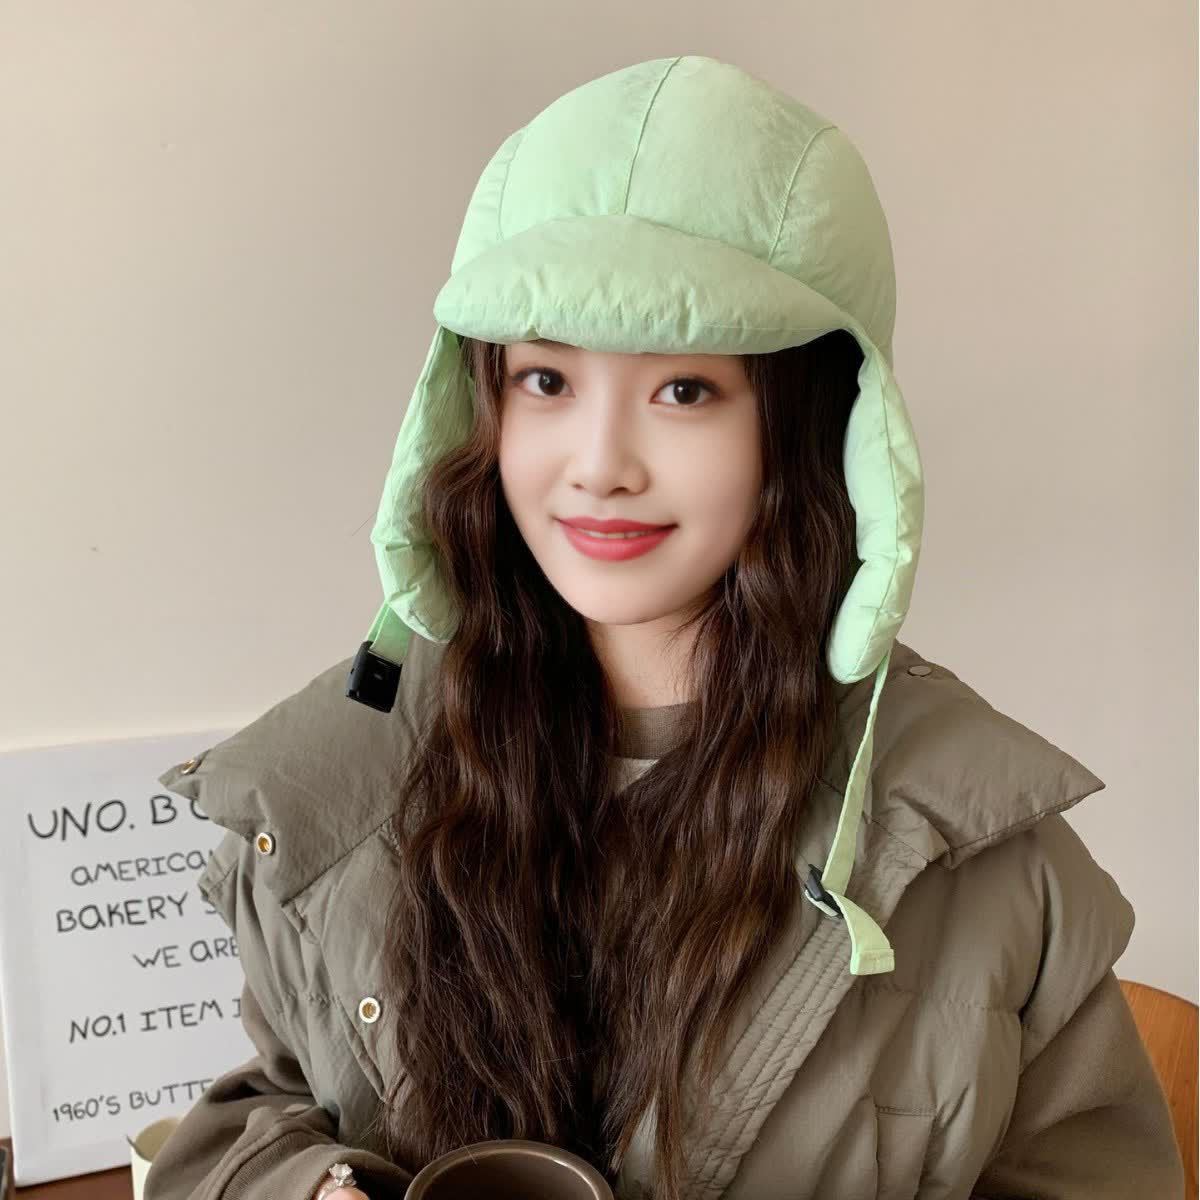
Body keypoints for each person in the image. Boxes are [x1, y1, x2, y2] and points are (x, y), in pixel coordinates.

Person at [142, 54, 1184, 1200]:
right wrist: (310, 1185)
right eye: (546, 381)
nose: (599, 466)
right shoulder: (342, 787)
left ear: (811, 423)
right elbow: (267, 1107)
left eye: (684, 390)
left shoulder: (977, 861)